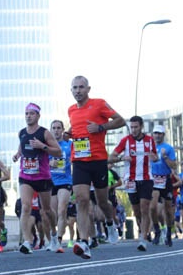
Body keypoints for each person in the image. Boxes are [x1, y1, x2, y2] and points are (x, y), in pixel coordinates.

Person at [67, 75, 126, 259]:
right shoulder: (71, 110)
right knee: (82, 200)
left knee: (102, 201)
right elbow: (76, 129)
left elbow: (120, 120)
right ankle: (84, 241)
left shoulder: (99, 104)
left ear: (88, 89)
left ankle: (110, 221)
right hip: (79, 161)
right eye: (75, 87)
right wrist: (70, 133)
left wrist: (101, 127)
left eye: (81, 87)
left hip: (99, 160)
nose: (78, 90)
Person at [14, 103, 61, 254]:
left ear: (38, 116)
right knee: (25, 207)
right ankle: (28, 241)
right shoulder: (22, 133)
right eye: (26, 113)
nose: (28, 116)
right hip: (25, 176)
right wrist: (17, 155)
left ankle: (54, 235)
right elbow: (22, 147)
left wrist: (43, 146)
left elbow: (58, 152)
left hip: (42, 177)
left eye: (32, 113)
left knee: (47, 211)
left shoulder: (45, 133)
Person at [109, 116, 160, 251]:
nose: (133, 130)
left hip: (146, 178)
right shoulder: (125, 141)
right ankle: (142, 229)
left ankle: (143, 238)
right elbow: (111, 157)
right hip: (130, 180)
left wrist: (154, 158)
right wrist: (121, 158)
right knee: (137, 211)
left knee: (145, 207)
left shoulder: (149, 140)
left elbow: (155, 157)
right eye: (131, 127)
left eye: (136, 127)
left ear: (141, 126)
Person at [149, 125, 176, 247]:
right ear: (152, 134)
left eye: (159, 133)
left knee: (168, 210)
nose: (157, 135)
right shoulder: (148, 147)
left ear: (163, 135)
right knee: (152, 207)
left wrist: (165, 157)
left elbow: (173, 166)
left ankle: (169, 233)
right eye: (155, 133)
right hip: (153, 179)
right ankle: (157, 230)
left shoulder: (168, 148)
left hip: (165, 179)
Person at [49, 119, 73, 253]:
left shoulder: (69, 145)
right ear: (51, 130)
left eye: (59, 128)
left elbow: (77, 157)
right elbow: (40, 164)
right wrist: (48, 164)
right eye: (54, 128)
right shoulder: (46, 146)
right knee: (51, 214)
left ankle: (59, 240)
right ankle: (53, 236)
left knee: (62, 210)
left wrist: (71, 160)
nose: (56, 130)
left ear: (63, 130)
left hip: (65, 181)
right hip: (51, 182)